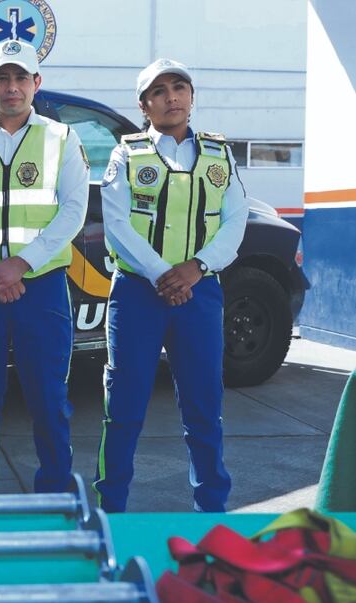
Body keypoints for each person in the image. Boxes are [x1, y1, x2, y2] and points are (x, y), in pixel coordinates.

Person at [94, 58, 247, 512]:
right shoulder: (127, 154)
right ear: (144, 106)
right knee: (123, 408)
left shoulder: (219, 154)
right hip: (137, 294)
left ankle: (210, 511)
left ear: (192, 97)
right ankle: (111, 512)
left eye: (179, 87)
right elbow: (117, 223)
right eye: (158, 91)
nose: (171, 97)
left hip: (200, 294)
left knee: (204, 409)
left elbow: (236, 219)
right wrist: (164, 273)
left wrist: (196, 268)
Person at [0, 40, 89, 495]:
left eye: (21, 77)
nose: (12, 87)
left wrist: (21, 264)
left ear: (36, 83)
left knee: (48, 397)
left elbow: (73, 211)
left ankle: (56, 491)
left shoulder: (62, 139)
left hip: (40, 287)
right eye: (2, 78)